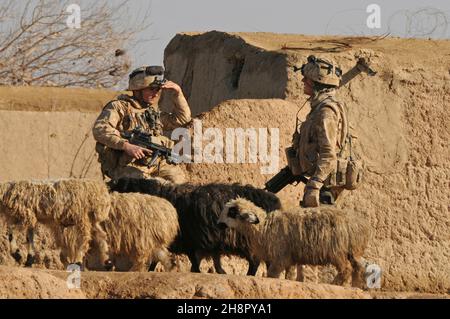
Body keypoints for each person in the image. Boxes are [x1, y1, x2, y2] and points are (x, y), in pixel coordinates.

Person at [93, 65, 191, 183]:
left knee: (179, 182)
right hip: (127, 165)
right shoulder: (119, 107)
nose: (155, 93)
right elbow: (100, 129)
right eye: (151, 89)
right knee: (147, 184)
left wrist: (178, 93)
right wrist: (127, 146)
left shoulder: (152, 112)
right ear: (138, 89)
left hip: (155, 163)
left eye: (158, 89)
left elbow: (182, 119)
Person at [293, 55, 350, 207]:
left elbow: (328, 154)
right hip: (321, 182)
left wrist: (314, 185)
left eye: (307, 79)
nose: (303, 81)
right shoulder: (318, 108)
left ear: (317, 84)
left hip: (325, 188)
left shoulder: (326, 112)